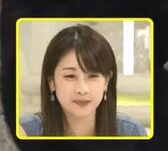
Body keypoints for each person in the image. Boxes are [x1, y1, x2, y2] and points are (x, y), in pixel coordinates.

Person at [18, 24, 147, 137]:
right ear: (52, 82)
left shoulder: (131, 132)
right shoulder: (24, 132)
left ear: (106, 81)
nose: (82, 89)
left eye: (93, 76)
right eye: (70, 76)